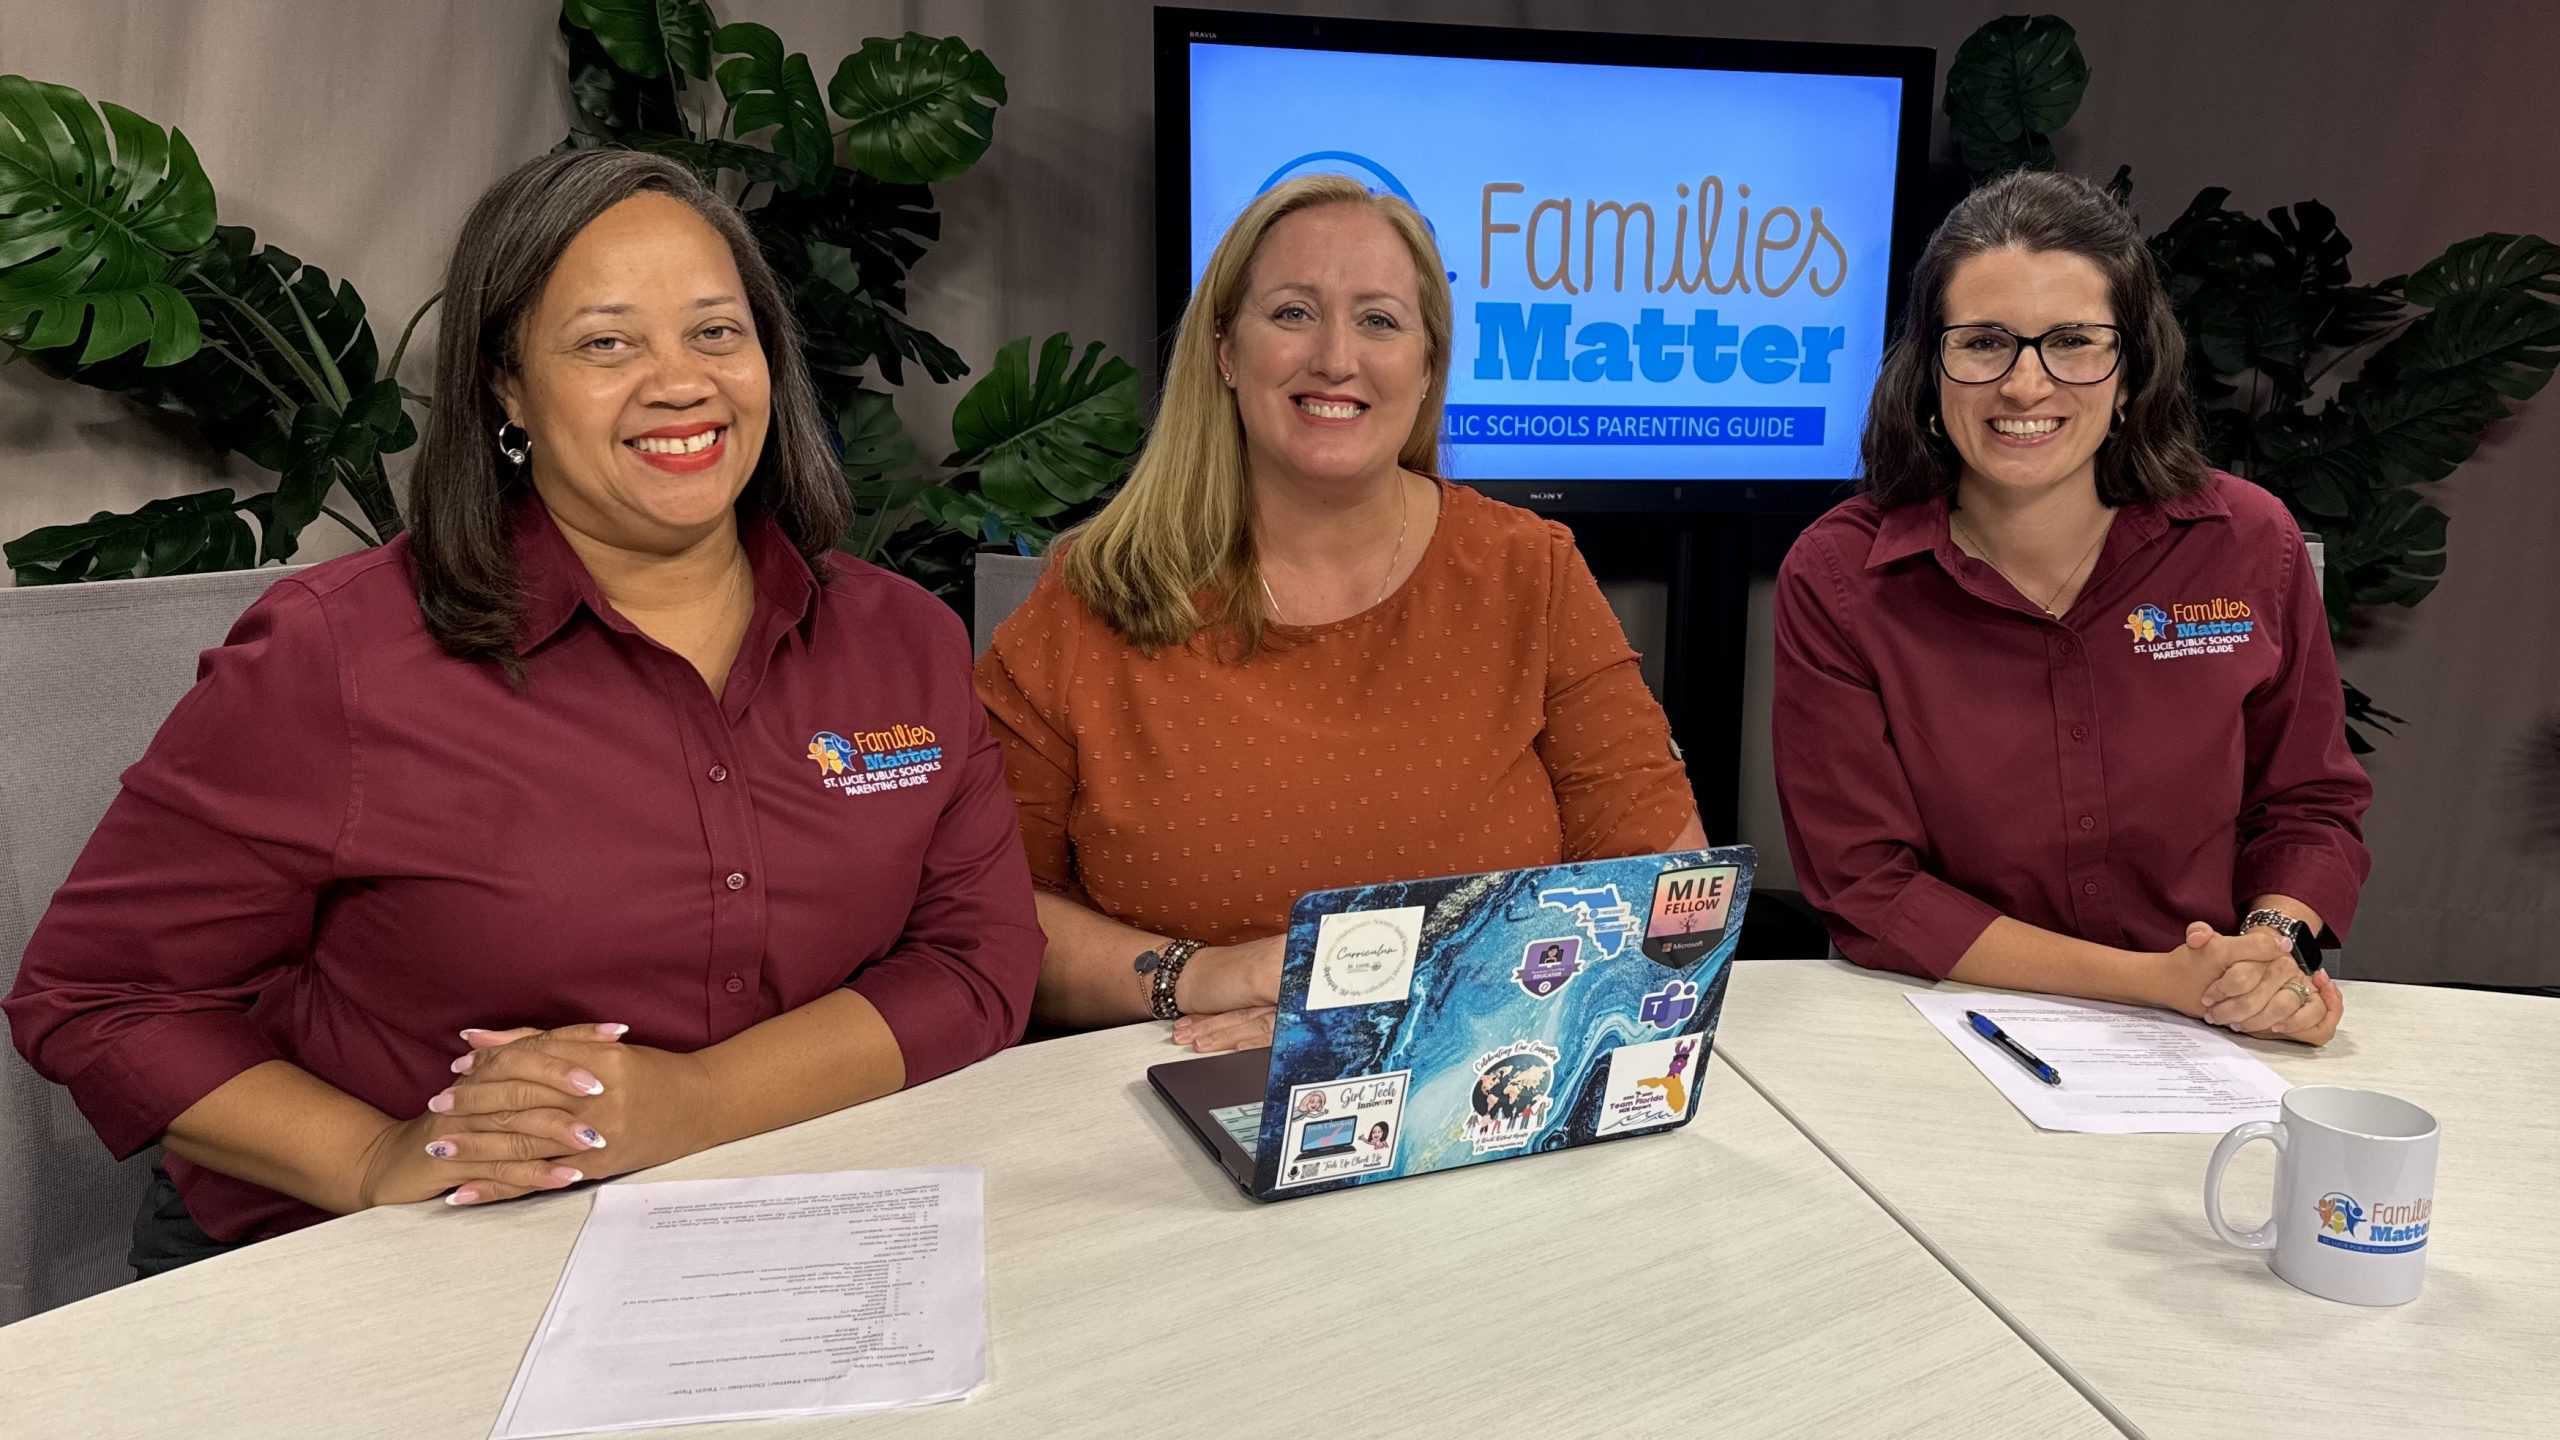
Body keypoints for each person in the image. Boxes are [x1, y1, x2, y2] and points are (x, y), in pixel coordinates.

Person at [4, 150, 1043, 1269]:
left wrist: (696, 1102)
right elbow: (98, 993)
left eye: (715, 331)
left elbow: (973, 960)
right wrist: (372, 1159)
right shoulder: (338, 655)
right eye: (606, 342)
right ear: (506, 386)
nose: (679, 382)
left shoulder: (901, 638)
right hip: (370, 1256)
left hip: (767, 1222)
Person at [977, 174, 1702, 1054]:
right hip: (1175, 1094)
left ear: (1428, 366)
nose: (1334, 357)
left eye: (1380, 321)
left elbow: (1667, 893)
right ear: (1223, 350)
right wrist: (1202, 978)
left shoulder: (1529, 572)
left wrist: (1388, 1023)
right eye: (1290, 313)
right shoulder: (1091, 596)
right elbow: (989, 921)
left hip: (1481, 1092)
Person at [1771, 168, 2370, 1045]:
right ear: (1928, 370)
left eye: (2074, 342)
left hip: (2216, 1032)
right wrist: (2162, 983)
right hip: (1942, 1025)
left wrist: (2267, 954)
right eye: (1983, 343)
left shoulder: (2249, 542)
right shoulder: (1838, 576)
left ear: (2130, 370)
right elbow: (1868, 887)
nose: (2025, 385)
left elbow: (2309, 802)